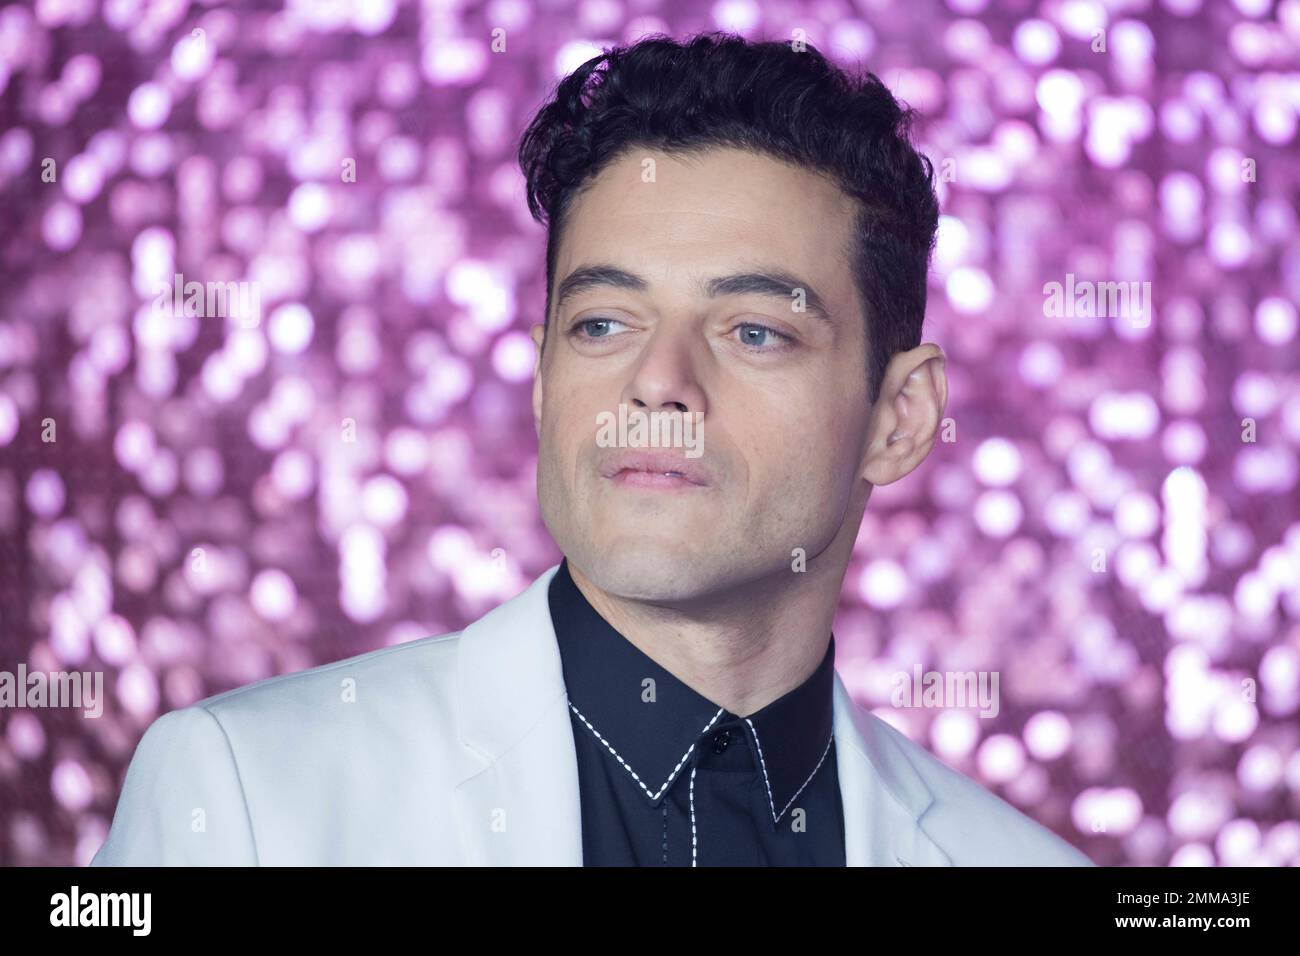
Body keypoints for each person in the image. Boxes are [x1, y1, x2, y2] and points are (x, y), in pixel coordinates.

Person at [92, 32, 1094, 866]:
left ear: (900, 415)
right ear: (541, 382)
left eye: (754, 330)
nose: (656, 383)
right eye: (603, 323)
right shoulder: (245, 796)